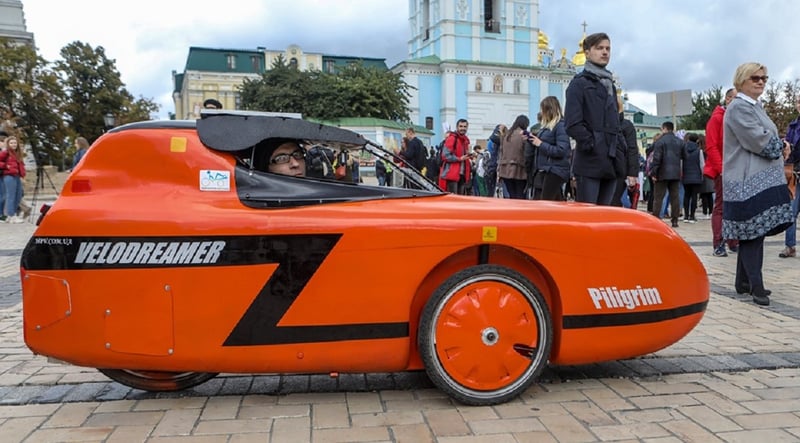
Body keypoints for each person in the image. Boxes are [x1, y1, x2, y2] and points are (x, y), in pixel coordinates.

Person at [723, 62, 793, 306]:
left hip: (758, 179)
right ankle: (756, 286)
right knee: (752, 232)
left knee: (754, 232)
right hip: (746, 181)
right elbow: (758, 140)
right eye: (755, 78)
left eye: (764, 78)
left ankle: (743, 281)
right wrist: (781, 145)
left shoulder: (754, 106)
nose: (761, 81)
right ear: (741, 80)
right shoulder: (739, 108)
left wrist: (781, 144)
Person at [565, 32, 623, 205]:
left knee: (606, 215)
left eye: (607, 49)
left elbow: (616, 123)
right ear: (587, 52)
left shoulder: (609, 84)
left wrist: (619, 149)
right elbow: (572, 123)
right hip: (589, 162)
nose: (605, 52)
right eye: (599, 48)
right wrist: (592, 143)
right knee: (587, 214)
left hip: (611, 162)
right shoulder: (579, 83)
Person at [705, 88, 739, 257]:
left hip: (738, 169)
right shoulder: (717, 118)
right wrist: (721, 169)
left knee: (736, 206)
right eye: (735, 98)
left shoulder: (738, 118)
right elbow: (711, 146)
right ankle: (718, 243)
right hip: (724, 170)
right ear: (727, 99)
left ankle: (733, 241)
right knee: (721, 206)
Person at [525, 96, 571, 200]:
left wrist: (540, 144)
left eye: (543, 110)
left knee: (546, 201)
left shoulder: (560, 126)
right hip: (546, 169)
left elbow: (561, 150)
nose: (541, 113)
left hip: (554, 170)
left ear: (548, 110)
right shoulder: (547, 127)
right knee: (553, 200)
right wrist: (531, 139)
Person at [649, 122, 686, 228]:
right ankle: (675, 220)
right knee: (675, 197)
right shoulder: (680, 142)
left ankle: (656, 219)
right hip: (675, 173)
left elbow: (657, 159)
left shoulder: (660, 141)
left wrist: (654, 172)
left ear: (664, 128)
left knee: (658, 197)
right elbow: (684, 156)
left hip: (662, 173)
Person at [779, 95, 800, 258]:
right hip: (795, 172)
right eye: (799, 101)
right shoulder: (793, 126)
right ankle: (790, 245)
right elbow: (788, 149)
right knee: (791, 211)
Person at [612, 96, 640, 207]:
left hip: (617, 169)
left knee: (613, 200)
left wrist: (632, 173)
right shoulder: (627, 125)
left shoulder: (626, 126)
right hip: (617, 167)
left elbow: (632, 150)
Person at [497, 115, 530, 199]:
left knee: (511, 195)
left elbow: (501, 152)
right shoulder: (523, 135)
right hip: (520, 169)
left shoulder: (506, 135)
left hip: (505, 169)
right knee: (520, 196)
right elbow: (527, 153)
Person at [439, 119, 471, 194]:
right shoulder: (452, 138)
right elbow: (445, 155)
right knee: (453, 198)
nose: (463, 128)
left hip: (462, 175)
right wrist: (459, 159)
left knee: (459, 198)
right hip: (452, 175)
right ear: (457, 127)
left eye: (465, 126)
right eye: (461, 126)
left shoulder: (465, 140)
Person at [0, 136, 27, 223]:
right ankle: (11, 216)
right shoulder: (5, 152)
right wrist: (6, 166)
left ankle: (11, 215)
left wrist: (22, 174)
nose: (13, 144)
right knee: (10, 196)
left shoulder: (17, 153)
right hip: (8, 176)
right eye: (11, 143)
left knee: (18, 195)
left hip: (17, 176)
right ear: (8, 144)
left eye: (15, 143)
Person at [681, 133, 704, 223]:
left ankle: (686, 216)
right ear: (697, 140)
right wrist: (702, 175)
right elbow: (702, 165)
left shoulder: (684, 150)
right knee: (694, 196)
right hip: (696, 176)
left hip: (686, 175)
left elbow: (681, 163)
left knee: (686, 195)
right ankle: (692, 216)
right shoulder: (699, 151)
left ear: (688, 139)